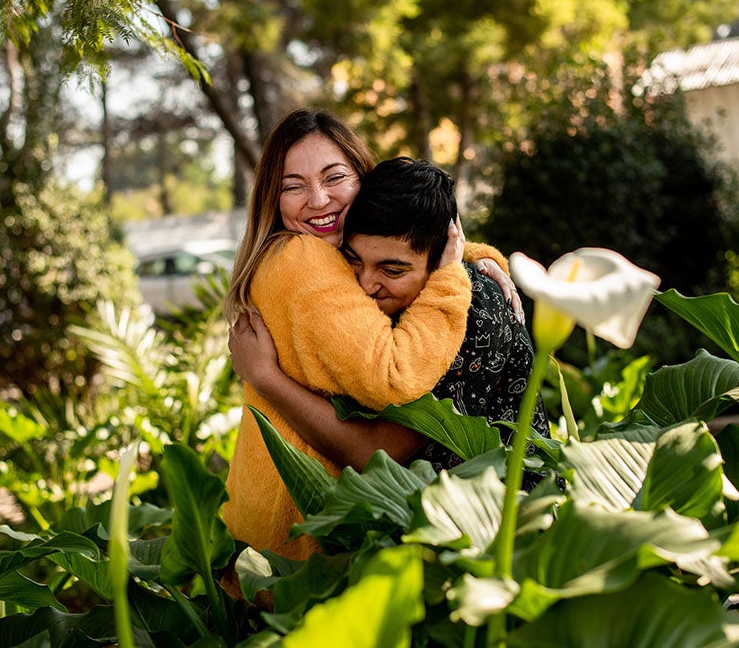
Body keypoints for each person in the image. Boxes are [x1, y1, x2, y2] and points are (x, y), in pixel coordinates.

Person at [221, 109, 517, 560]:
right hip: (301, 534)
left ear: (365, 178)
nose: (318, 200)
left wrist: (474, 254)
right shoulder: (301, 260)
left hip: (285, 524)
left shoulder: (333, 251)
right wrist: (452, 275)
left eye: (334, 177)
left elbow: (403, 244)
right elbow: (393, 377)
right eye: (292, 185)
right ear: (271, 199)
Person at [230, 157, 544, 478]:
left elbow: (375, 454)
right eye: (352, 261)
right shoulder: (396, 280)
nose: (366, 285)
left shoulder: (472, 312)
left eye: (391, 270)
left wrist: (266, 378)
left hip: (502, 513)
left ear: (443, 258)